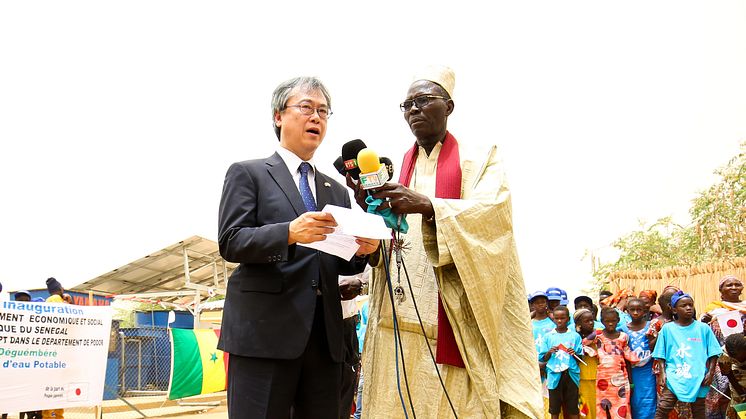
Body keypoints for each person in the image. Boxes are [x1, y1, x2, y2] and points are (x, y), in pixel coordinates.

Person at [352, 66, 543, 418]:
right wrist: (370, 215)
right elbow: (387, 247)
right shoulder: (398, 168)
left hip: (454, 329)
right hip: (397, 329)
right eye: (407, 104)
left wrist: (427, 206)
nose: (413, 110)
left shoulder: (480, 159)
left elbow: (493, 220)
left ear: (449, 106)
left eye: (423, 100)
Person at [216, 76, 378, 418]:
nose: (316, 117)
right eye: (306, 107)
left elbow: (340, 261)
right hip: (265, 336)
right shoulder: (249, 174)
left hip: (325, 339)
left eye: (323, 111)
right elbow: (232, 241)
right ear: (278, 116)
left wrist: (364, 251)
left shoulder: (335, 189)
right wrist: (289, 232)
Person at [652, 291, 722, 419]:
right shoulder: (668, 329)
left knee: (699, 410)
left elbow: (714, 352)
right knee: (663, 407)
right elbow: (660, 354)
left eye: (690, 305)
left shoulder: (703, 328)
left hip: (699, 375)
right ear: (674, 309)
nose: (688, 308)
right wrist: (662, 373)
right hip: (675, 376)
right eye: (684, 306)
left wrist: (710, 373)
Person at [700, 275, 745, 418]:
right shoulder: (713, 310)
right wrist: (704, 322)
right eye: (729, 285)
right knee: (719, 397)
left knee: (742, 394)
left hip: (744, 361)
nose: (733, 288)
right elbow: (703, 336)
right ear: (721, 290)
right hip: (719, 359)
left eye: (737, 285)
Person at [591, 307, 639, 419]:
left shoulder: (623, 337)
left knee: (621, 408)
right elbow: (583, 344)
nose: (611, 324)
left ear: (618, 320)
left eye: (613, 321)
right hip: (602, 380)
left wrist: (630, 382)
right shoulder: (597, 336)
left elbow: (627, 360)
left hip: (620, 379)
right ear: (602, 321)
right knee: (602, 408)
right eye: (607, 321)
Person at [539, 306, 582, 419]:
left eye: (562, 318)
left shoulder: (575, 336)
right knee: (554, 408)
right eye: (557, 318)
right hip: (554, 375)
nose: (559, 321)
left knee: (573, 407)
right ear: (553, 319)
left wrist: (575, 354)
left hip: (571, 374)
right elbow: (543, 358)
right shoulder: (548, 337)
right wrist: (549, 351)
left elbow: (580, 358)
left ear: (567, 319)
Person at [620, 297, 657, 418]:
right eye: (632, 309)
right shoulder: (622, 329)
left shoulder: (650, 327)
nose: (635, 312)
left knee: (649, 399)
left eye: (639, 309)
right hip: (631, 371)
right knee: (634, 400)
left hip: (648, 370)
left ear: (645, 312)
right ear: (627, 311)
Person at [575, 308, 599, 419]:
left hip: (599, 376)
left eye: (592, 320)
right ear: (578, 323)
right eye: (586, 321)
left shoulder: (599, 335)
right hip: (581, 377)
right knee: (584, 407)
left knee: (598, 406)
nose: (590, 323)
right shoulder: (575, 338)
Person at [719, 333, 746, 418]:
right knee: (739, 405)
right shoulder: (725, 358)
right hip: (737, 380)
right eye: (736, 358)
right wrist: (742, 395)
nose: (739, 360)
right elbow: (731, 378)